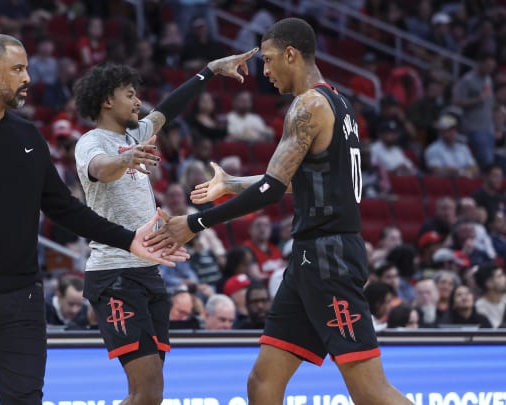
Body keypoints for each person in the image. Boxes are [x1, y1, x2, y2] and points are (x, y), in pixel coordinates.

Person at [0, 34, 188, 405]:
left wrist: (128, 239)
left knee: (27, 399)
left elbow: (62, 207)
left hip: (22, 297)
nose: (27, 77)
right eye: (18, 69)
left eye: (26, 68)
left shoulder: (27, 135)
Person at [145, 18, 414, 404]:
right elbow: (292, 179)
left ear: (291, 54)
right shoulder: (338, 101)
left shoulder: (308, 105)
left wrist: (195, 222)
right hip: (311, 258)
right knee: (262, 382)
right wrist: (231, 184)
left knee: (370, 391)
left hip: (329, 257)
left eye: (269, 61)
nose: (265, 72)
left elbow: (272, 189)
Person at [72, 48, 256, 405]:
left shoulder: (137, 132)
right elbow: (101, 168)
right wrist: (125, 158)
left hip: (149, 271)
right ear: (107, 101)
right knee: (144, 393)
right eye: (130, 94)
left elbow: (169, 109)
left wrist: (209, 71)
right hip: (115, 276)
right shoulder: (91, 142)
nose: (138, 101)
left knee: (151, 395)